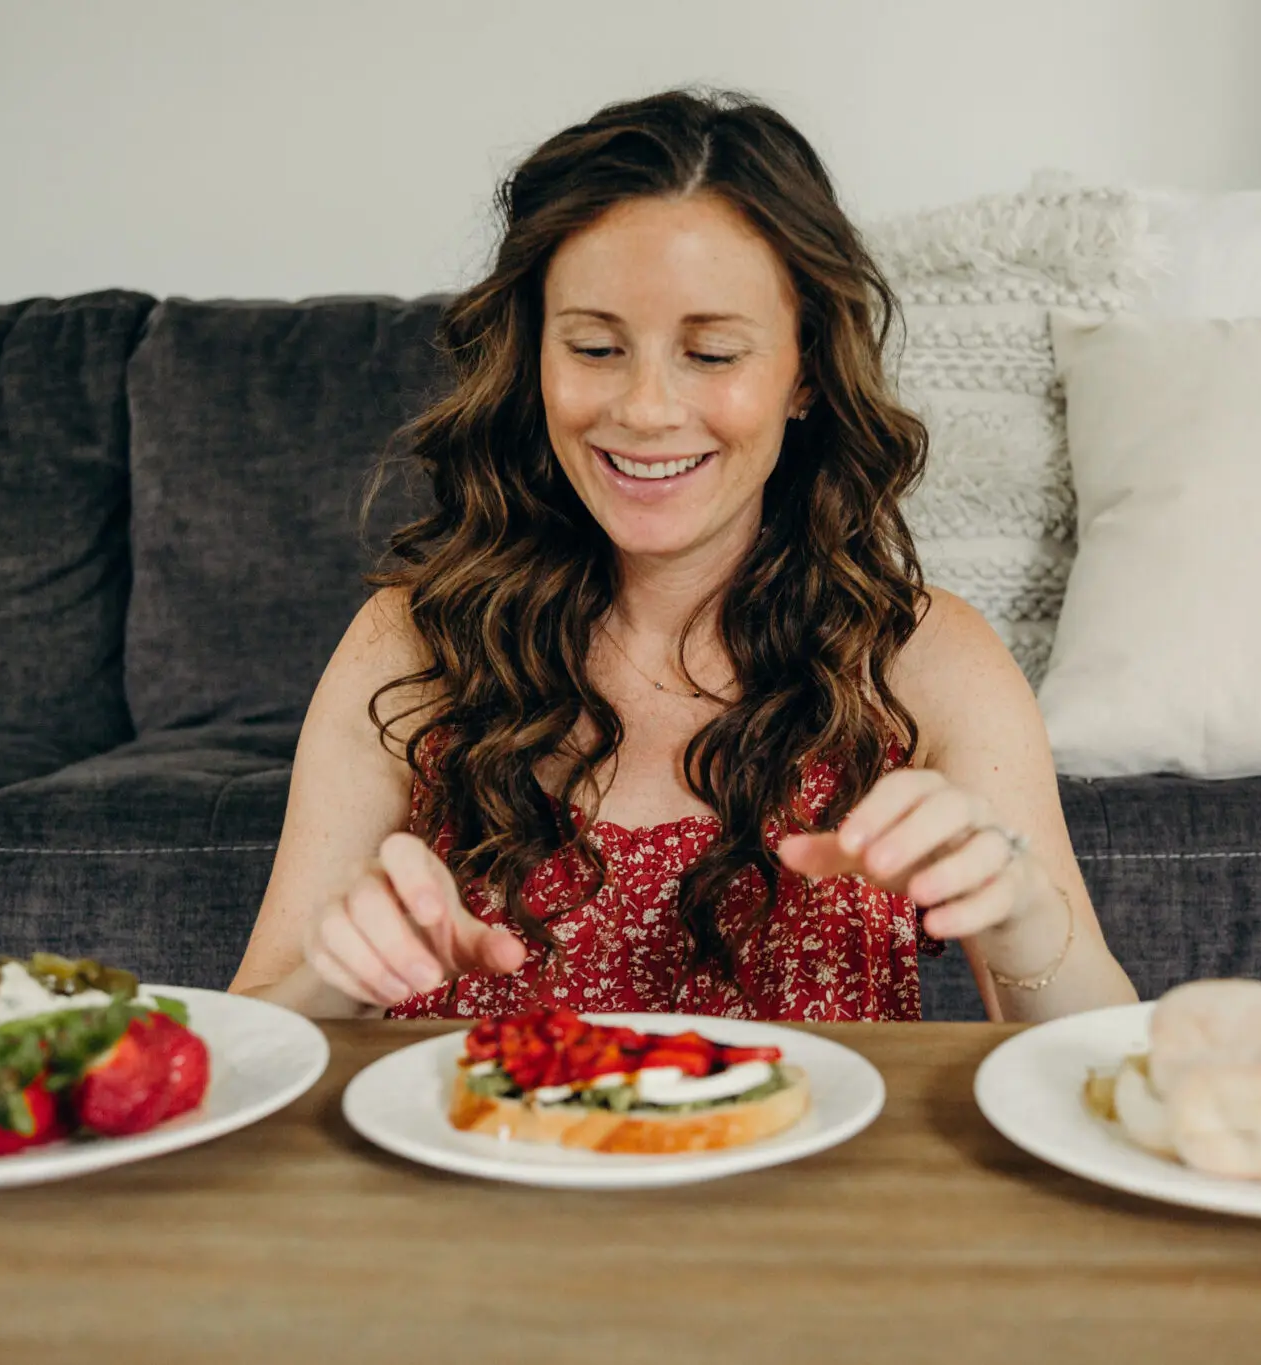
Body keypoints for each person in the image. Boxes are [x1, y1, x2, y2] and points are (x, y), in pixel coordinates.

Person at [230, 89, 1137, 1023]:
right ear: (532, 356)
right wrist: (344, 975)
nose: (647, 408)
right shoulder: (410, 641)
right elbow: (254, 1035)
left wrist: (1024, 916)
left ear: (806, 375)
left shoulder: (929, 661)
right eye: (594, 346)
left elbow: (1095, 1059)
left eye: (710, 354)